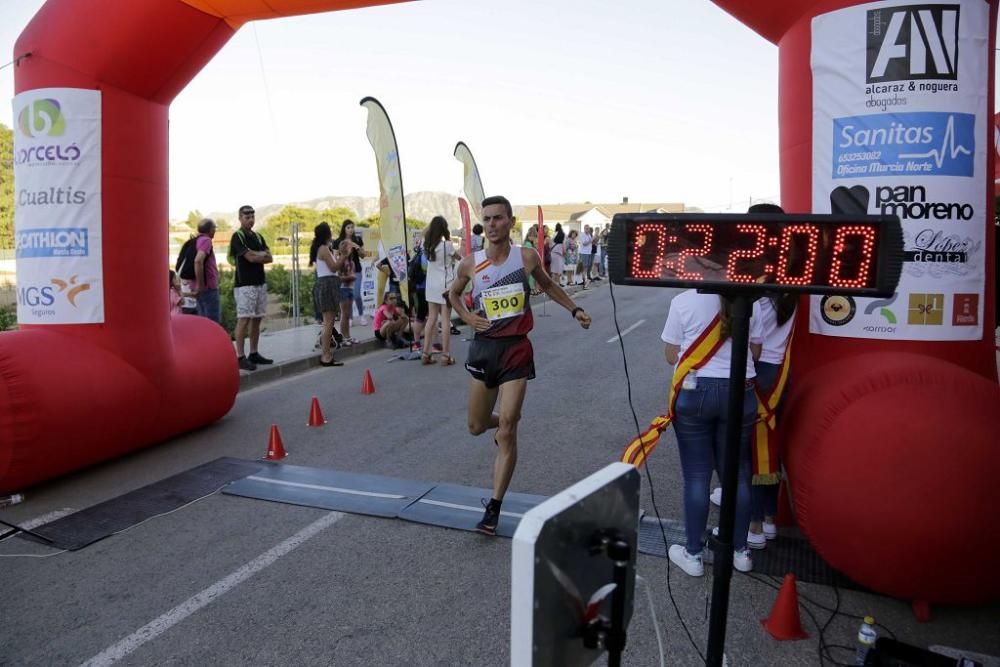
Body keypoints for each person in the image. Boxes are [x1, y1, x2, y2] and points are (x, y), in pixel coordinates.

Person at [448, 195, 591, 535]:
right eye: (487, 219)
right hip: (484, 349)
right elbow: (452, 295)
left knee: (509, 426)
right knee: (476, 425)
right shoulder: (470, 263)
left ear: (510, 222)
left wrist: (575, 310)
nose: (493, 224)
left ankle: (494, 508)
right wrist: (468, 316)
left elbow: (548, 285)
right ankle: (499, 425)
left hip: (516, 349)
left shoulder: (525, 257)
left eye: (499, 218)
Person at [662, 291, 764, 576]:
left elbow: (671, 355)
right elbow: (755, 353)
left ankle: (693, 554)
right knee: (738, 473)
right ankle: (741, 551)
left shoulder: (683, 300)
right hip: (741, 392)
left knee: (697, 475)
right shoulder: (751, 300)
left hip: (696, 392)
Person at [230, 205, 274, 371]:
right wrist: (259, 254)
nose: (250, 219)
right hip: (245, 285)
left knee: (257, 319)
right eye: (247, 217)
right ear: (240, 218)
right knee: (244, 320)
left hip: (260, 283)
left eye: (252, 216)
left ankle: (254, 353)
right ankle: (240, 356)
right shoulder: (238, 237)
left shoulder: (258, 236)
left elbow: (269, 258)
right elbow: (249, 258)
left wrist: (258, 254)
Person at [422, 215, 462, 365]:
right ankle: (445, 355)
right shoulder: (448, 245)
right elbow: (460, 258)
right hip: (445, 285)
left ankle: (426, 353)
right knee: (445, 319)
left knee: (431, 318)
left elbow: (425, 232)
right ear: (444, 229)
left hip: (430, 285)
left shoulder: (426, 245)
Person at [309, 222, 346, 367]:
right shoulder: (323, 249)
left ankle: (327, 353)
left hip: (326, 284)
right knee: (328, 323)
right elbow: (333, 267)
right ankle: (326, 355)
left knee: (328, 322)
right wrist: (343, 256)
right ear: (327, 233)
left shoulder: (322, 248)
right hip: (327, 286)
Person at [336, 220, 371, 326]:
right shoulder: (338, 241)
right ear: (344, 229)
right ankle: (350, 318)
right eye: (348, 227)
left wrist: (357, 246)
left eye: (352, 227)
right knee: (348, 296)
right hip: (344, 272)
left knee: (356, 295)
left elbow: (363, 255)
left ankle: (361, 315)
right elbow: (335, 257)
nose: (351, 229)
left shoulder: (358, 239)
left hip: (357, 270)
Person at [191, 218, 220, 323]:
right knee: (212, 322)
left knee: (203, 321)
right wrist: (201, 285)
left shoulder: (196, 240)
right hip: (208, 288)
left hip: (199, 288)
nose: (215, 231)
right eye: (214, 228)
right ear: (210, 229)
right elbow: (198, 261)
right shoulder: (206, 240)